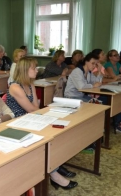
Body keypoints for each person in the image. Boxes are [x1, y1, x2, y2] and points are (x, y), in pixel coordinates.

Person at [7, 56, 78, 190]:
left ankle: (55, 164)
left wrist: (43, 117)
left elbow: (35, 109)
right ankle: (54, 174)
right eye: (34, 68)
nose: (37, 70)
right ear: (25, 70)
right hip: (17, 123)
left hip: (29, 120)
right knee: (46, 138)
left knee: (56, 133)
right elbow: (31, 109)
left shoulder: (30, 84)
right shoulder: (15, 87)